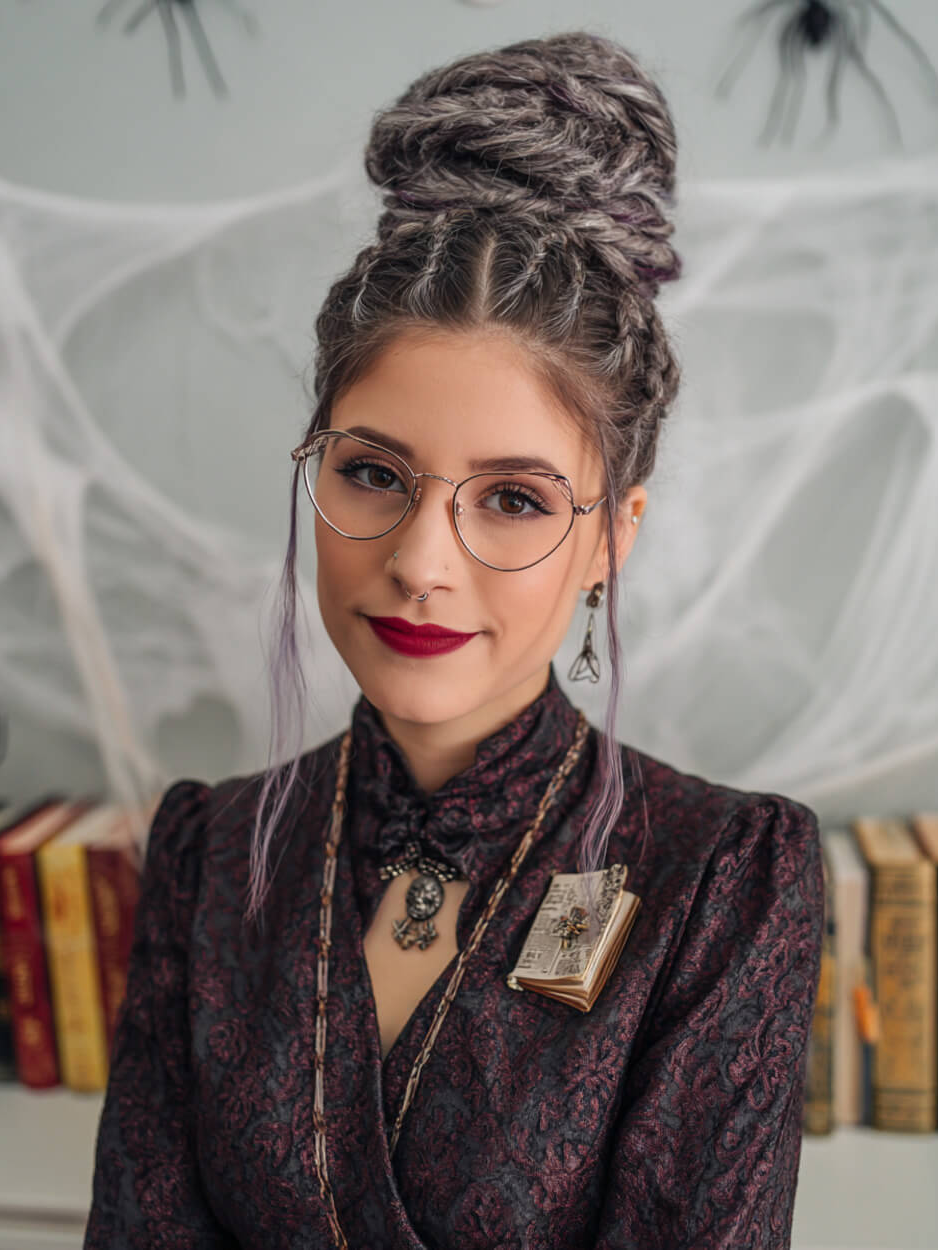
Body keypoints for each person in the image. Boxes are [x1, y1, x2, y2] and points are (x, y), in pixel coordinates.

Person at [84, 29, 824, 1250]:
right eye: (373, 472)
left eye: (515, 498)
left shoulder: (723, 877)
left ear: (611, 536)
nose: (421, 562)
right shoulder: (210, 853)